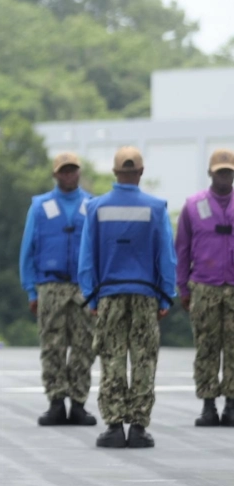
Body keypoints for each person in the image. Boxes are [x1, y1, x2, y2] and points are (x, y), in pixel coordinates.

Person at [79, 147, 176, 449]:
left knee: (113, 359)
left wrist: (91, 297)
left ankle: (113, 426)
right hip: (146, 295)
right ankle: (138, 427)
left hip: (108, 295)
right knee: (144, 360)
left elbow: (87, 258)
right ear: (141, 172)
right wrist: (166, 296)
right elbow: (166, 257)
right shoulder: (156, 208)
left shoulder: (96, 207)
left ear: (114, 172)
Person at [19, 152, 97, 426]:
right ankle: (55, 401)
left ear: (79, 172)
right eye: (64, 171)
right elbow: (28, 250)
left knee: (83, 346)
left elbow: (99, 250)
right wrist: (31, 290)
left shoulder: (92, 205)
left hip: (82, 288)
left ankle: (78, 403)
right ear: (55, 174)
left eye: (73, 170)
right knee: (51, 346)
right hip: (50, 286)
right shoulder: (40, 206)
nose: (69, 175)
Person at [176, 149, 234, 427]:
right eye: (220, 171)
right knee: (206, 347)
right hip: (204, 285)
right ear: (210, 172)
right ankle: (208, 404)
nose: (225, 176)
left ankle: (232, 404)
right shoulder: (193, 205)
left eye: (229, 171)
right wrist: (182, 288)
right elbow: (182, 249)